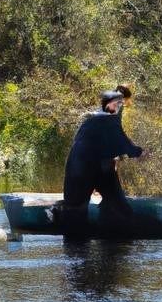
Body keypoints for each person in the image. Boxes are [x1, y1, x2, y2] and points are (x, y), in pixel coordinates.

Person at [59, 84, 145, 225]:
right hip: (93, 166)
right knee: (123, 213)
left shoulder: (95, 118)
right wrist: (137, 151)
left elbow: (113, 138)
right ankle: (113, 232)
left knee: (75, 215)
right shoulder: (111, 114)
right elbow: (117, 137)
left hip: (76, 166)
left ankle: (103, 226)